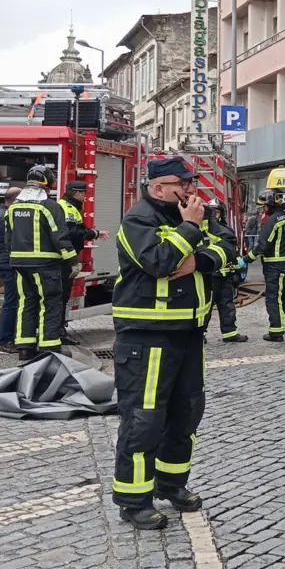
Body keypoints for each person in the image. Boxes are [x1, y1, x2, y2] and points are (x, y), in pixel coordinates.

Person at [111, 156, 232, 530]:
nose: (191, 190)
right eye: (183, 183)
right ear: (158, 187)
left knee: (186, 415)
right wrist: (190, 230)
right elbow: (159, 262)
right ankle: (133, 500)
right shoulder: (138, 220)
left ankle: (171, 483)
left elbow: (230, 249)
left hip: (189, 335)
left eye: (192, 182)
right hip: (148, 338)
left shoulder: (195, 216)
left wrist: (201, 261)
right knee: (145, 421)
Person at [5, 166, 76, 361]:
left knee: (26, 302)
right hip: (45, 264)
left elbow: (7, 238)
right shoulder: (49, 206)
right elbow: (60, 236)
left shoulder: (14, 207)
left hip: (19, 264)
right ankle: (50, 346)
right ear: (49, 183)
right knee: (50, 303)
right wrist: (73, 261)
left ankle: (25, 346)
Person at [243, 190, 285, 342]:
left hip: (275, 266)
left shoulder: (272, 221)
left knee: (273, 297)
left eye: (263, 206)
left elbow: (263, 245)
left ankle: (276, 332)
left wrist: (246, 259)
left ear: (270, 204)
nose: (262, 209)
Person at [56, 180, 110, 346]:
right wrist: (93, 233)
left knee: (60, 296)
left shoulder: (64, 206)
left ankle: (57, 330)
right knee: (61, 296)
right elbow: (73, 232)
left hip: (62, 258)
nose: (85, 198)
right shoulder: (68, 208)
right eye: (84, 194)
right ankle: (58, 332)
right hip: (63, 259)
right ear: (78, 193)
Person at [202, 199, 247, 343]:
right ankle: (199, 334)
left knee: (227, 304)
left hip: (224, 275)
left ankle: (230, 333)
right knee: (205, 307)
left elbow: (232, 253)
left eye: (217, 212)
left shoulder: (226, 230)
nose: (215, 215)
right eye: (212, 212)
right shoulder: (203, 230)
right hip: (209, 276)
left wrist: (236, 272)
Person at [0, 186, 23, 352]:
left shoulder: (4, 214)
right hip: (9, 263)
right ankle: (5, 342)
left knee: (14, 302)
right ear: (16, 200)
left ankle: (9, 339)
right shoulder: (5, 216)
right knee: (11, 303)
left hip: (9, 262)